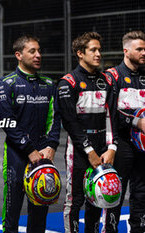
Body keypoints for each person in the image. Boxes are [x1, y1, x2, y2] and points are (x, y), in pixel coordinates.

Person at [0, 35, 61, 233]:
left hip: (43, 154)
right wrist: (29, 149)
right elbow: (8, 122)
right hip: (17, 155)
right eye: (32, 51)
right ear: (19, 55)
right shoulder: (6, 84)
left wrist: (52, 145)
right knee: (12, 213)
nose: (38, 55)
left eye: (39, 51)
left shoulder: (49, 85)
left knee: (41, 208)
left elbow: (55, 118)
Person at [57, 32, 118, 233]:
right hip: (79, 149)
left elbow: (111, 117)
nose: (98, 54)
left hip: (103, 146)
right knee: (74, 200)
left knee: (98, 198)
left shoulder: (107, 81)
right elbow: (70, 123)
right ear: (80, 53)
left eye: (99, 49)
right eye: (93, 50)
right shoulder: (68, 82)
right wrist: (89, 151)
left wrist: (112, 147)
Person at [104, 31, 145, 233]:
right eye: (139, 49)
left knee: (141, 192)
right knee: (115, 193)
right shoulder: (113, 76)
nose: (144, 52)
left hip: (143, 148)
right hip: (121, 145)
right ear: (126, 50)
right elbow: (110, 114)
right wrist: (136, 121)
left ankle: (138, 229)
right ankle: (110, 229)